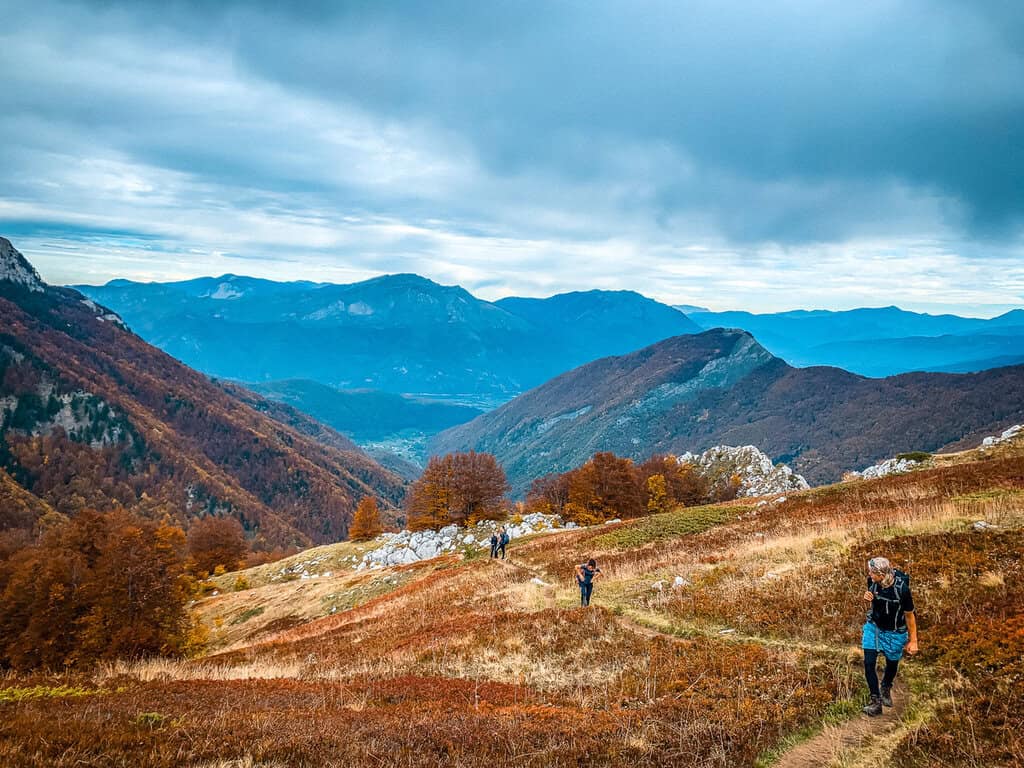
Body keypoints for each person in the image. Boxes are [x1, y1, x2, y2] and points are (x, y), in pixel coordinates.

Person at [861, 556, 919, 716]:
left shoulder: (902, 589)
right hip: (874, 627)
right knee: (868, 662)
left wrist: (913, 640)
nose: (869, 574)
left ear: (881, 573)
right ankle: (876, 702)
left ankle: (886, 686)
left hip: (895, 632)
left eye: (872, 572)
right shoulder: (872, 582)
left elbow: (909, 615)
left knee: (892, 663)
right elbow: (873, 602)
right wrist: (868, 598)